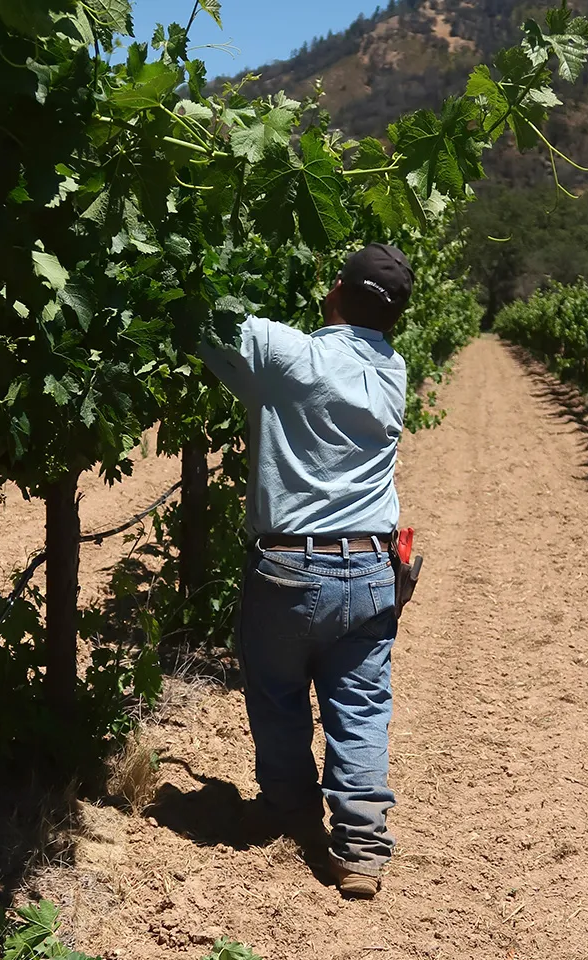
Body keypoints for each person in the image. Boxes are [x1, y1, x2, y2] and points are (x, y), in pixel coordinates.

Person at [199, 242, 413, 899]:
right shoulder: (393, 369)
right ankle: (361, 850)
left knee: (278, 695)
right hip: (374, 566)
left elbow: (199, 317)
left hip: (290, 568)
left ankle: (289, 814)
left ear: (335, 290)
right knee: (361, 705)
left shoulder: (290, 355)